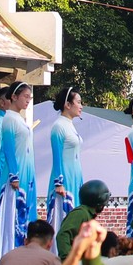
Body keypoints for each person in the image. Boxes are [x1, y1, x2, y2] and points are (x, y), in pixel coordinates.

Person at [0, 84, 37, 261]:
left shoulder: (19, 119)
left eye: (29, 97)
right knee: (13, 214)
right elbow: (8, 149)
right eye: (25, 96)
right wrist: (13, 175)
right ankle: (10, 251)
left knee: (25, 210)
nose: (27, 100)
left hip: (26, 171)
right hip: (16, 174)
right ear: (14, 97)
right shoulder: (9, 119)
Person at [47, 86, 86, 228]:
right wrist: (59, 182)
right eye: (79, 102)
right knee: (62, 218)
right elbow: (56, 156)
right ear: (68, 105)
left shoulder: (70, 126)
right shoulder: (58, 126)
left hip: (74, 177)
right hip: (64, 180)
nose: (81, 106)